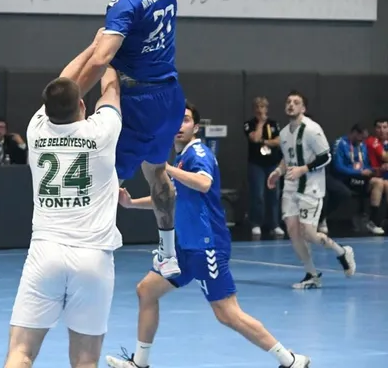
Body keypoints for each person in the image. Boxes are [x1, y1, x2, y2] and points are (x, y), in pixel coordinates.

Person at [106, 103, 310, 368]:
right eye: (176, 120)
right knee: (146, 291)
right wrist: (132, 204)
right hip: (184, 247)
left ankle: (290, 361)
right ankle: (140, 363)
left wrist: (164, 168)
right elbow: (172, 199)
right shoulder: (181, 159)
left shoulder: (198, 153)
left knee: (227, 313)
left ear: (196, 127)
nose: (180, 125)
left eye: (186, 120)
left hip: (206, 246)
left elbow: (204, 183)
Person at [74, 0, 184, 278]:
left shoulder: (124, 5)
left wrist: (70, 96)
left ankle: (89, 253)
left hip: (137, 103)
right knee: (157, 172)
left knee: (104, 180)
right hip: (169, 96)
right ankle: (167, 254)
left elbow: (101, 58)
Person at [4, 29, 122, 368]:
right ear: (82, 105)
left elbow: (64, 81)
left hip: (46, 253)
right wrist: (109, 54)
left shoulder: (36, 129)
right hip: (93, 256)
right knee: (85, 360)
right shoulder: (101, 132)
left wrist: (92, 47)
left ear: (47, 108)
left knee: (21, 352)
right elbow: (111, 91)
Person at [266, 91, 356, 289]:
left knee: (309, 234)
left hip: (311, 188)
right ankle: (312, 275)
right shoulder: (284, 133)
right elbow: (287, 158)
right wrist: (277, 172)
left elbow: (326, 156)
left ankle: (342, 251)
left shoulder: (312, 130)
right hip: (290, 188)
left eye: (296, 102)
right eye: (288, 101)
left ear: (303, 108)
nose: (291, 104)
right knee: (292, 230)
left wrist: (303, 169)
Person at [331, 123, 385, 235]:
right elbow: (338, 167)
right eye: (361, 137)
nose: (363, 141)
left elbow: (364, 164)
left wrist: (373, 170)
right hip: (345, 179)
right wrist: (359, 172)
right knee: (374, 183)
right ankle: (361, 214)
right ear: (354, 133)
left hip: (360, 178)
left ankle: (372, 221)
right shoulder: (340, 143)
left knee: (379, 182)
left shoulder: (362, 145)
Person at [243, 96, 284, 237]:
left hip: (272, 163)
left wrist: (264, 141)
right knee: (258, 195)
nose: (260, 110)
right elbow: (254, 138)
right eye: (257, 107)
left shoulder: (274, 123)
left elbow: (279, 141)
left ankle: (274, 224)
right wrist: (260, 123)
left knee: (274, 195)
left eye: (262, 107)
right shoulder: (249, 124)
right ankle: (256, 223)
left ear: (267, 108)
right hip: (256, 165)